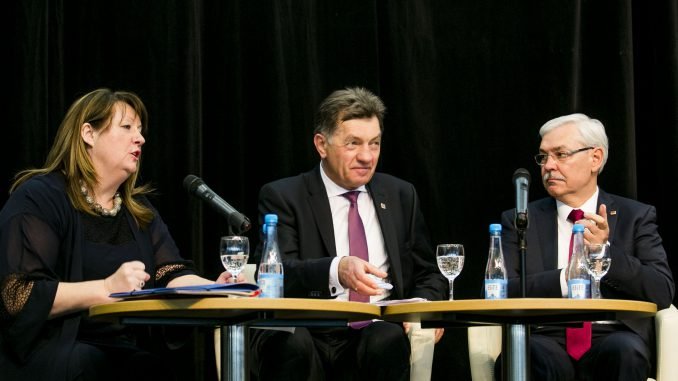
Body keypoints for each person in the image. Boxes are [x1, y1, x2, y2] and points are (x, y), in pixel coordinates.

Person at [0, 88, 240, 380]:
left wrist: (215, 289)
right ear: (88, 133)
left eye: (140, 130)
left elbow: (171, 272)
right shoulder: (40, 198)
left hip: (122, 348)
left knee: (156, 368)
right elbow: (19, 295)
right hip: (55, 349)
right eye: (127, 127)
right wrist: (105, 288)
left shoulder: (138, 210)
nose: (140, 138)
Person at [250, 87, 448, 380]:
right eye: (353, 144)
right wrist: (336, 269)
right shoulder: (283, 196)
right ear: (322, 144)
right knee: (291, 344)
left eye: (375, 143)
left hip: (374, 328)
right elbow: (276, 274)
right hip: (306, 328)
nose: (367, 156)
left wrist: (423, 306)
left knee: (387, 340)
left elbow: (428, 273)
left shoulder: (400, 195)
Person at [497, 113, 675, 381]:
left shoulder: (635, 216)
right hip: (546, 335)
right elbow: (499, 291)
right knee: (529, 353)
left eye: (561, 154)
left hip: (612, 334)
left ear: (595, 158)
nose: (549, 166)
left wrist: (605, 254)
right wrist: (564, 279)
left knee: (626, 351)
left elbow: (661, 290)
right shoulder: (521, 220)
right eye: (543, 157)